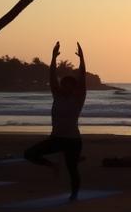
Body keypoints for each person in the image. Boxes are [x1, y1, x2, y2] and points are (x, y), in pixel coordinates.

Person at [24, 42, 87, 200]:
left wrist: (82, 58)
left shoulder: (78, 99)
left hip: (73, 140)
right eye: (64, 85)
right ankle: (53, 165)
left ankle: (74, 194)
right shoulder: (57, 96)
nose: (66, 87)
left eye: (70, 85)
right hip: (56, 138)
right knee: (29, 154)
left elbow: (83, 77)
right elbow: (51, 76)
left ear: (74, 88)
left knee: (72, 168)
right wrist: (53, 57)